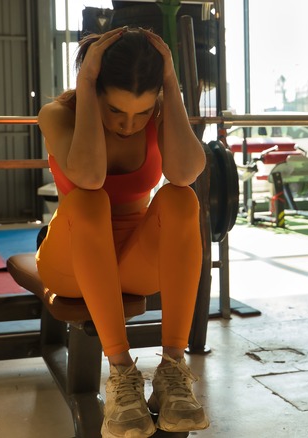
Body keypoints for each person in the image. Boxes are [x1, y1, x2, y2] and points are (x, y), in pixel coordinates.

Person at [36, 26, 209, 438]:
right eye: (116, 111)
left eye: (142, 113)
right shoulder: (58, 115)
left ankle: (171, 371)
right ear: (94, 90)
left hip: (134, 262)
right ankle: (120, 375)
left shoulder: (161, 114)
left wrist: (170, 85)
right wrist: (85, 81)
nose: (129, 125)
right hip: (72, 265)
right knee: (87, 199)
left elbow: (185, 172)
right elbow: (90, 176)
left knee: (180, 198)